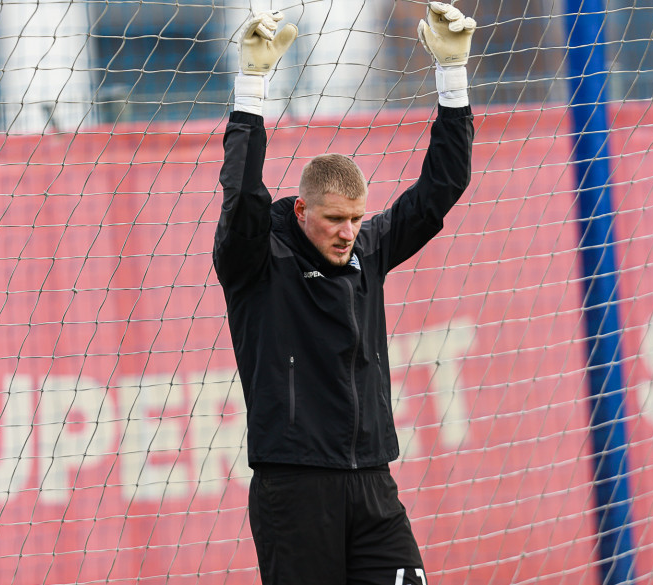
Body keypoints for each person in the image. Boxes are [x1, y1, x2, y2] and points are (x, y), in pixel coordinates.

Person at [212, 3, 475, 584]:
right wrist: (251, 88)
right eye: (334, 219)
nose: (348, 232)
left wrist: (452, 76)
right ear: (301, 211)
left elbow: (441, 187)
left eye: (356, 218)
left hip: (374, 485)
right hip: (296, 490)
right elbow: (244, 198)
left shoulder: (369, 249)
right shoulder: (257, 263)